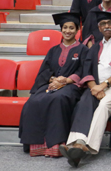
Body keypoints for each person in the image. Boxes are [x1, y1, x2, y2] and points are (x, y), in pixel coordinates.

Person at [60, 11, 111, 167]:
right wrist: (93, 87)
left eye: (110, 23)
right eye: (103, 24)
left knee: (104, 105)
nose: (106, 26)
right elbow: (87, 69)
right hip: (96, 86)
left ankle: (85, 147)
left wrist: (104, 85)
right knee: (84, 102)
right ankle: (77, 142)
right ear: (99, 27)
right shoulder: (95, 46)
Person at [19, 13, 88, 157]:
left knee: (58, 99)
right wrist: (53, 80)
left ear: (77, 30)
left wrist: (66, 80)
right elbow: (45, 70)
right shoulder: (53, 50)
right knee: (33, 101)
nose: (68, 31)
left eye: (71, 28)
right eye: (65, 28)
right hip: (51, 84)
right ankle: (37, 145)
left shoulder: (83, 50)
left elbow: (84, 70)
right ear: (61, 29)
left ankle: (56, 145)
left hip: (72, 86)